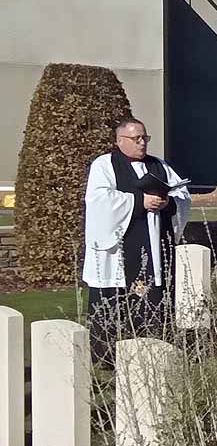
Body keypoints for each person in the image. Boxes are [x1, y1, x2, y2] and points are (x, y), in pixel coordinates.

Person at [83, 117, 191, 363]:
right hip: (118, 252)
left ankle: (154, 348)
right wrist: (138, 202)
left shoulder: (158, 165)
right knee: (115, 300)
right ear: (119, 140)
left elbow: (182, 195)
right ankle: (107, 356)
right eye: (136, 139)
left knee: (152, 295)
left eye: (145, 138)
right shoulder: (105, 165)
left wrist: (168, 202)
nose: (142, 143)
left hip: (154, 244)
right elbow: (99, 201)